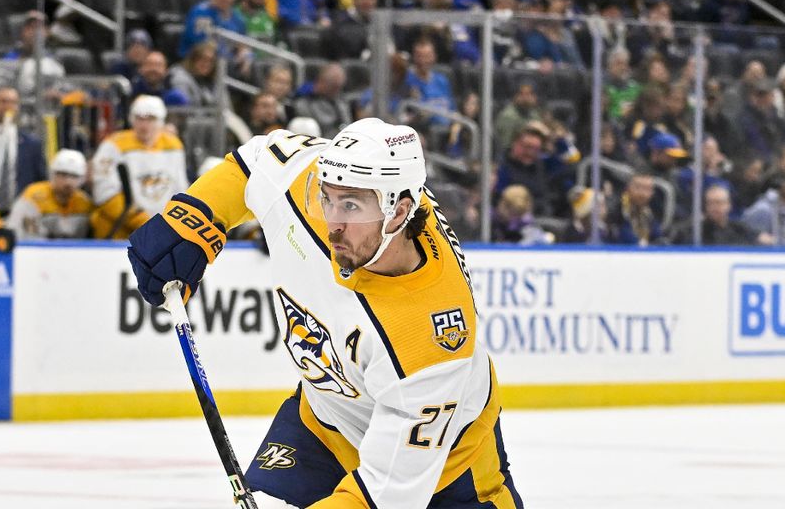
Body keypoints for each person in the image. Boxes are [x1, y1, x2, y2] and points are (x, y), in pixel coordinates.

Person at [127, 117, 523, 508]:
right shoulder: (317, 191)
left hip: (447, 470)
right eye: (327, 197)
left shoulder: (432, 342)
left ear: (399, 213)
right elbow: (255, 161)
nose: (332, 222)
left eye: (350, 205)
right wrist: (194, 217)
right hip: (327, 422)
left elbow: (385, 496)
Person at [90, 95, 188, 239]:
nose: (144, 125)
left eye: (151, 119)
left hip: (163, 231)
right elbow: (104, 193)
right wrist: (142, 221)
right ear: (131, 119)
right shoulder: (113, 145)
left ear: (161, 121)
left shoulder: (173, 145)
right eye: (139, 118)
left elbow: (180, 188)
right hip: (119, 232)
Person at [7, 148, 92, 240]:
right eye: (63, 175)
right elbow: (24, 234)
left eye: (74, 176)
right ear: (53, 175)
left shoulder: (84, 202)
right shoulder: (34, 196)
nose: (68, 182)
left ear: (82, 179)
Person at [0, 87, 47, 216]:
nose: (8, 106)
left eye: (13, 102)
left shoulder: (31, 144)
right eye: (3, 101)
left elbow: (40, 179)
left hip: (18, 211)